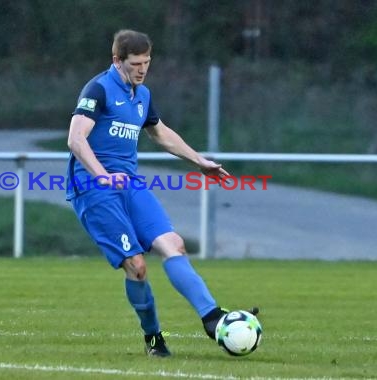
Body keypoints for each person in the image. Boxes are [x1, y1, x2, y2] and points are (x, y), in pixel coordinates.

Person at [65, 29, 248, 357]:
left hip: (129, 184)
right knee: (137, 265)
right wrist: (102, 175)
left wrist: (199, 161)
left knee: (173, 244)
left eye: (147, 62)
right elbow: (76, 138)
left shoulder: (142, 95)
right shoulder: (99, 89)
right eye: (135, 63)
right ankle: (153, 338)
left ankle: (212, 317)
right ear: (117, 61)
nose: (142, 69)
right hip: (94, 188)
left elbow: (160, 133)